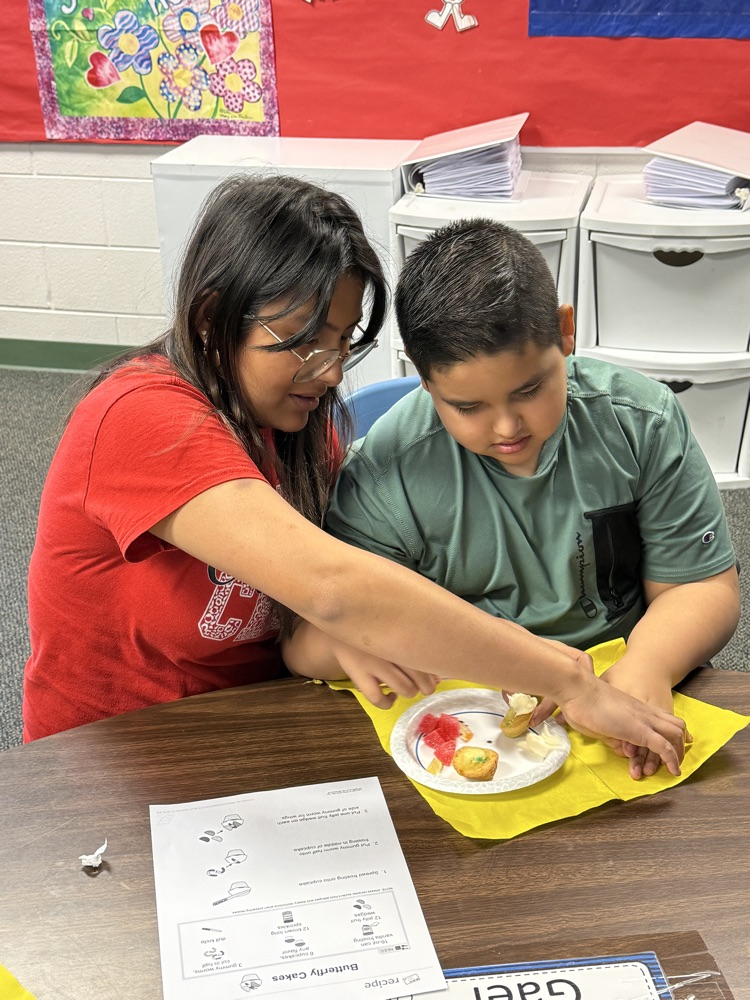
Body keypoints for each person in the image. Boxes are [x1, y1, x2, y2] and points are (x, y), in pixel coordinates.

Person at [24, 177, 687, 778]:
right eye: (308, 343)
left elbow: (321, 620)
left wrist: (343, 645)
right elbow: (334, 588)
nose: (334, 372)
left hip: (266, 730)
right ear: (210, 321)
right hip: (117, 756)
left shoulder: (299, 436)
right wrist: (569, 680)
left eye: (344, 342)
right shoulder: (142, 417)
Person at [325, 218, 740, 779]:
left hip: (627, 682)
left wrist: (648, 667)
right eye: (466, 407)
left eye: (529, 390)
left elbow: (700, 586)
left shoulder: (641, 423)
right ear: (424, 380)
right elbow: (327, 629)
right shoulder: (387, 468)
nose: (505, 427)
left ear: (565, 332)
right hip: (469, 707)